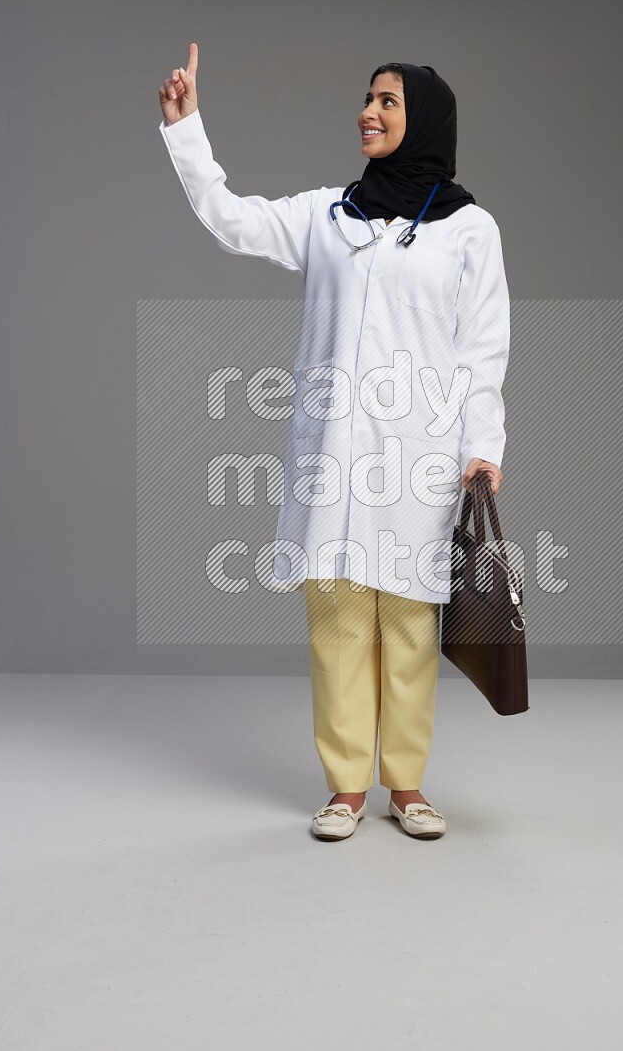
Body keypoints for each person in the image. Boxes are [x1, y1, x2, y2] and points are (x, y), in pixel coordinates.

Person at [158, 43, 510, 841]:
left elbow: (485, 346)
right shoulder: (328, 216)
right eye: (368, 98)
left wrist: (481, 445)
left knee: (410, 625)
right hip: (334, 456)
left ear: (423, 120)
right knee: (340, 620)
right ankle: (346, 786)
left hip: (421, 453)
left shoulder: (468, 230)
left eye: (388, 101)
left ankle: (409, 786)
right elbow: (233, 220)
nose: (370, 111)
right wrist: (186, 130)